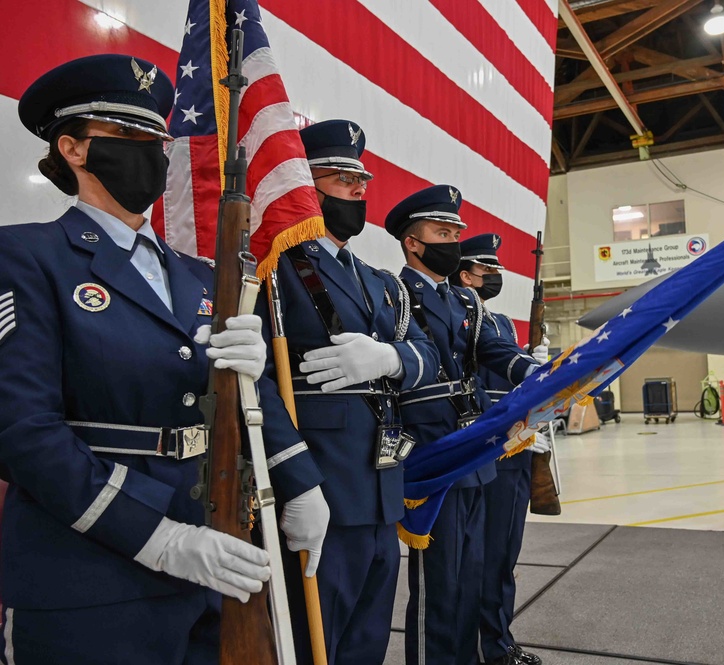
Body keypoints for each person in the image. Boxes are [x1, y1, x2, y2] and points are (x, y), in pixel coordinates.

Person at [0, 54, 329, 664]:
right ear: (72, 148)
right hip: (93, 571)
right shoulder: (27, 257)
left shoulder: (202, 276)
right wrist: (158, 539)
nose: (149, 153)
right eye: (127, 137)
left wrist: (299, 478)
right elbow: (23, 433)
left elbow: (235, 392)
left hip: (211, 549)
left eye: (156, 137)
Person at [264, 119, 439, 664]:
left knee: (367, 641)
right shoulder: (278, 265)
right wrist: (295, 482)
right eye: (342, 178)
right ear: (304, 185)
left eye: (361, 179)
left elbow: (427, 355)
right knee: (317, 640)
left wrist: (390, 357)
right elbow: (256, 381)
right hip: (323, 484)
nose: (358, 189)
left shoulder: (380, 281)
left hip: (382, 488)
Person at [384, 186, 547, 665]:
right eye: (442, 232)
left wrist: (532, 372)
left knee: (472, 574)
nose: (453, 240)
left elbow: (491, 352)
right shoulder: (394, 292)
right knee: (440, 587)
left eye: (456, 231)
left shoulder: (466, 304)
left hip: (474, 454)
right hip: (432, 452)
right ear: (413, 243)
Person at [449, 234, 547, 665]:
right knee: (477, 559)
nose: (495, 279)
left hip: (515, 448)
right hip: (484, 445)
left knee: (504, 554)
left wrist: (535, 364)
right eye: (487, 272)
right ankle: (473, 647)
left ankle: (499, 643)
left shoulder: (502, 323)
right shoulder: (455, 315)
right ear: (466, 274)